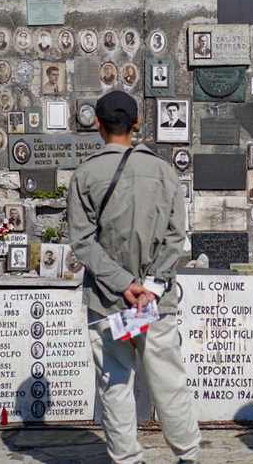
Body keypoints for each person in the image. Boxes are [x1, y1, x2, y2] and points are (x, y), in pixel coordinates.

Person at [67, 91, 201, 464]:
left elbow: (82, 242)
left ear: (97, 123)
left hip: (110, 300)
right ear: (138, 123)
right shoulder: (165, 171)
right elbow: (176, 238)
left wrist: (124, 284)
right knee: (168, 381)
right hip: (154, 303)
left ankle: (127, 459)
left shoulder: (85, 175)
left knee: (115, 384)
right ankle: (188, 456)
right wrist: (151, 288)